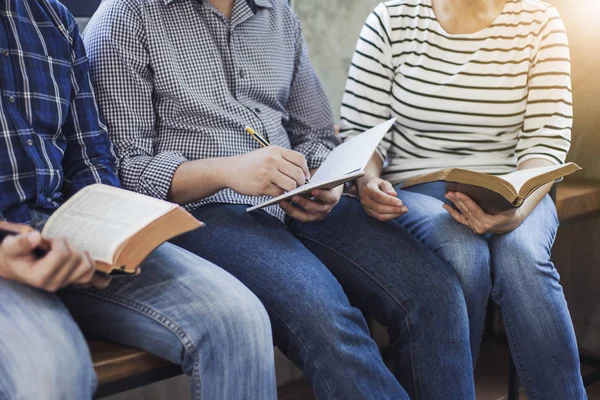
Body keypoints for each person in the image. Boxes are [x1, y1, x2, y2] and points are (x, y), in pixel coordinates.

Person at [85, 0, 477, 398]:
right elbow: (124, 173)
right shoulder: (126, 17)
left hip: (299, 200)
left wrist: (334, 182)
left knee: (434, 292)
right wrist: (228, 171)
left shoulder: (278, 15)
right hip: (204, 214)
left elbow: (317, 135)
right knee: (324, 314)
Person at [0, 1, 276, 399]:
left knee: (240, 319)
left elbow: (89, 153)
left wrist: (103, 231)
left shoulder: (52, 19)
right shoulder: (126, 17)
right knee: (51, 373)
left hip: (62, 235)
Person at [340, 0, 586, 398]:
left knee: (522, 255)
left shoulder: (539, 22)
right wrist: (366, 181)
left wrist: (517, 212)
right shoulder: (393, 18)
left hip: (519, 189)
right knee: (463, 251)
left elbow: (545, 146)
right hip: (416, 191)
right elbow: (361, 133)